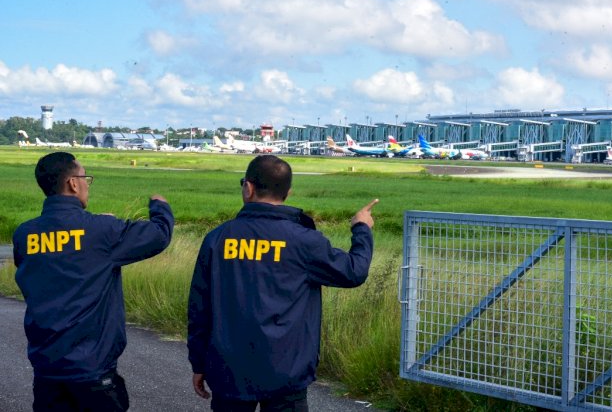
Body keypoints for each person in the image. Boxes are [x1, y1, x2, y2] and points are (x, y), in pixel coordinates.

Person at [188, 155, 378, 411]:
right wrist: (362, 229)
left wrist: (198, 363)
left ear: (248, 188)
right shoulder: (305, 241)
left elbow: (199, 308)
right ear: (287, 192)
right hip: (286, 371)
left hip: (227, 369)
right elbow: (354, 272)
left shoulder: (217, 238)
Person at [12, 151, 174, 411]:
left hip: (46, 369)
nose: (87, 184)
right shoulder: (102, 231)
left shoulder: (24, 235)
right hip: (93, 371)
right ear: (73, 183)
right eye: (85, 177)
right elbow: (158, 235)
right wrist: (160, 206)